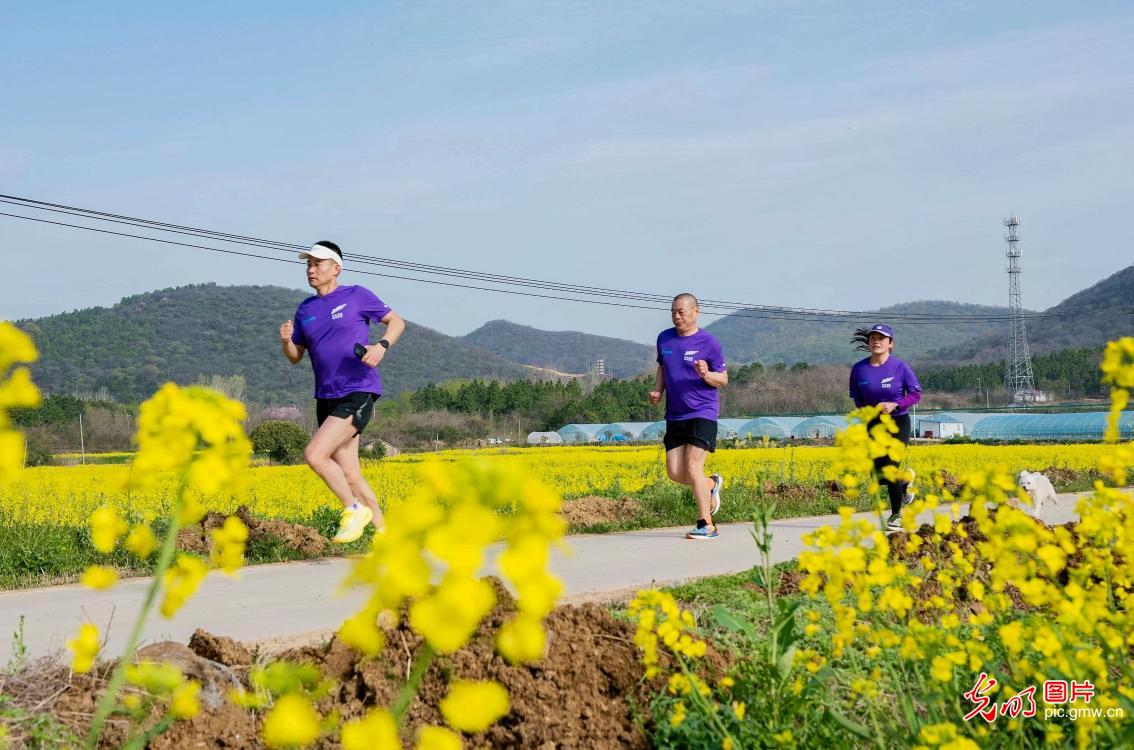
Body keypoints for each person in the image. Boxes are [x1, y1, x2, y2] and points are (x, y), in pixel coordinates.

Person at [279, 241, 405, 543]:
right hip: (326, 397)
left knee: (314, 454)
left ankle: (353, 508)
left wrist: (382, 346)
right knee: (350, 475)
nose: (311, 269)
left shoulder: (356, 296)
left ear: (336, 268)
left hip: (358, 391)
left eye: (317, 263)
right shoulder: (305, 309)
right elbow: (297, 356)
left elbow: (396, 322)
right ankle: (385, 535)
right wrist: (286, 341)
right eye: (308, 264)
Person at [649, 293, 728, 540]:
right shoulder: (665, 338)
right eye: (673, 311)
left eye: (682, 311)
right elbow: (662, 368)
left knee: (693, 466)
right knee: (675, 472)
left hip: (703, 411)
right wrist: (658, 390)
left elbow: (722, 379)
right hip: (675, 414)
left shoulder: (709, 343)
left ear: (696, 312)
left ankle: (707, 524)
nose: (677, 316)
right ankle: (711, 485)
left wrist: (706, 374)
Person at [849, 324, 921, 532]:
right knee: (878, 476)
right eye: (873, 338)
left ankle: (896, 516)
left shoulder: (900, 367)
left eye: (882, 338)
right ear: (869, 342)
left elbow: (916, 394)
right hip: (874, 424)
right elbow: (858, 400)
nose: (876, 341)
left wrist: (896, 404)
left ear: (891, 344)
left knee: (890, 469)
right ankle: (905, 482)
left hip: (898, 422)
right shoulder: (859, 369)